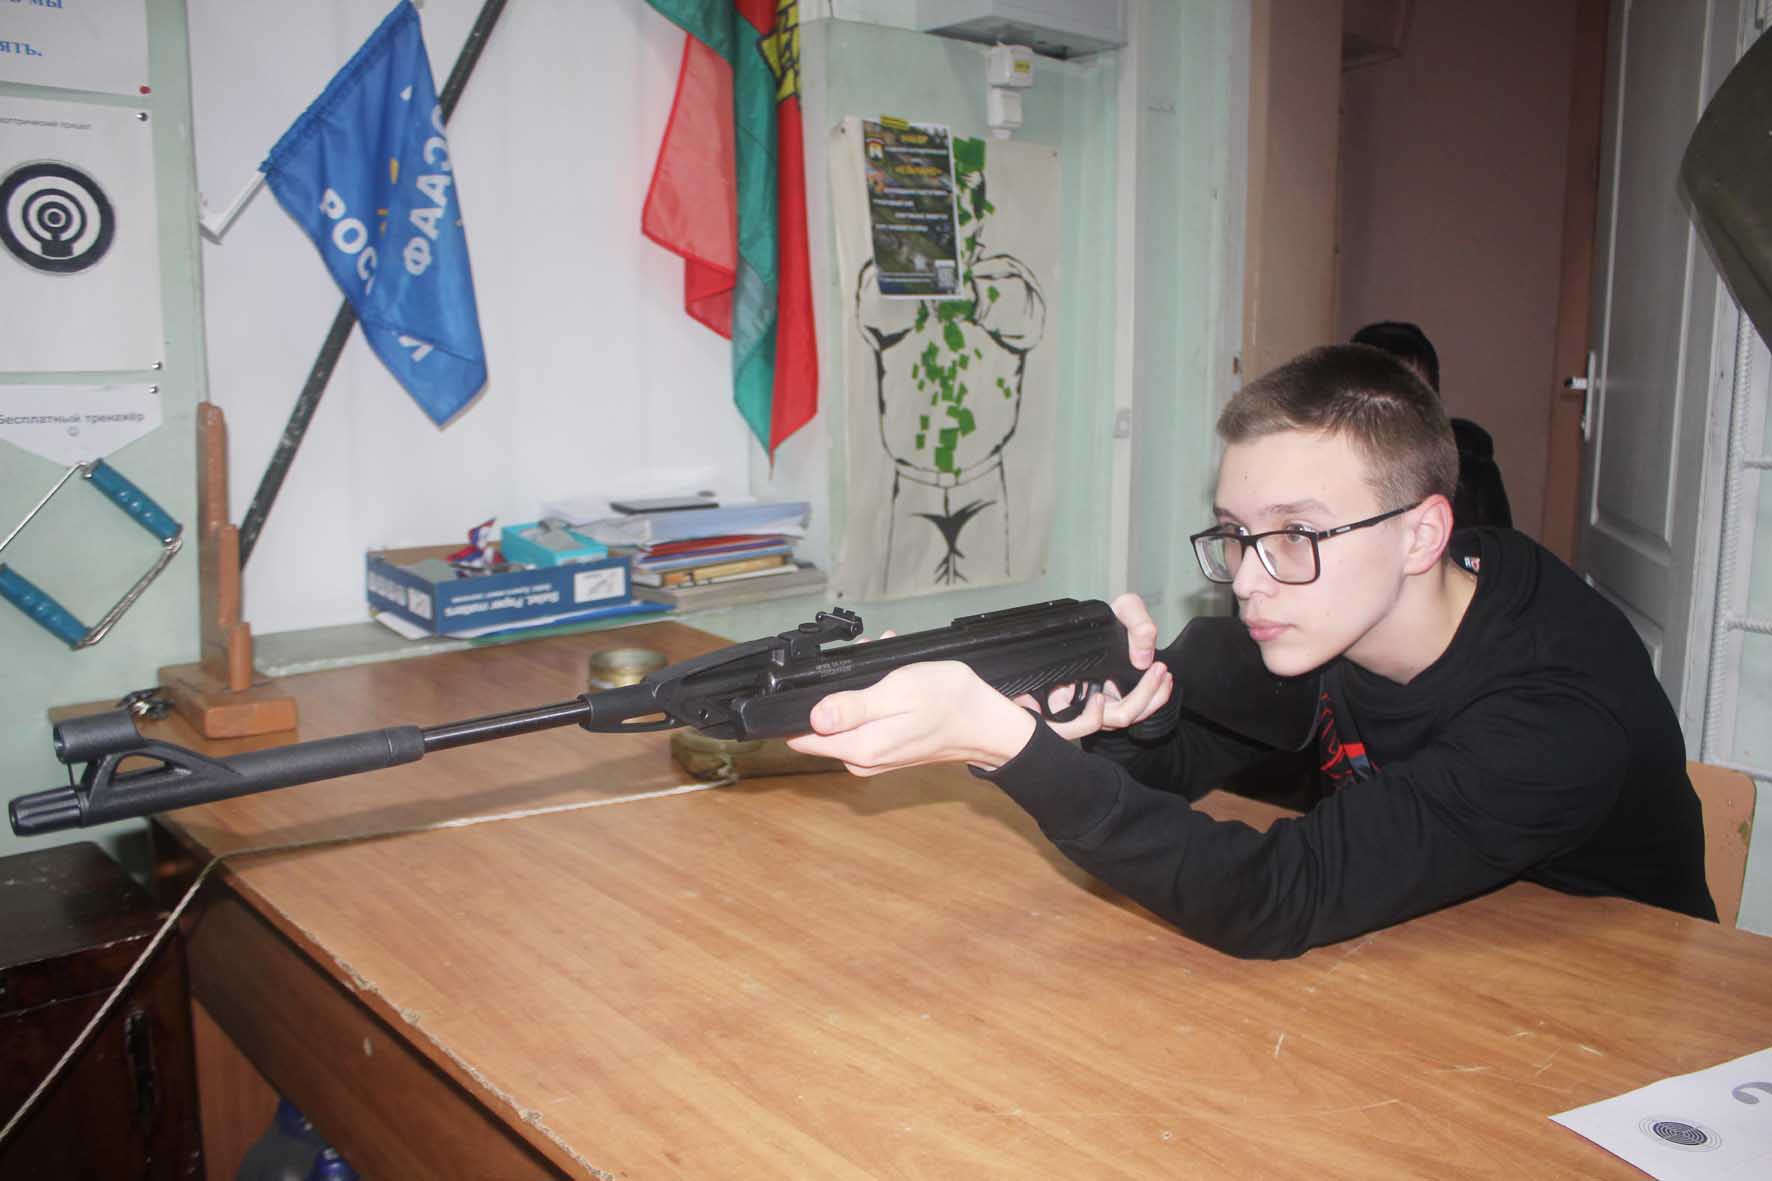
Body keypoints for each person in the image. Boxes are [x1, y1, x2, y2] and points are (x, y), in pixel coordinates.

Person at [787, 344, 1714, 959]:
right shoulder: (1334, 613)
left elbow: (1276, 897)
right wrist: (1104, 720)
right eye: (1236, 532)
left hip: (1624, 1006)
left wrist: (1007, 745)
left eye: (1295, 532)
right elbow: (1176, 768)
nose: (1248, 579)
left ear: (1422, 534)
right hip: (1427, 959)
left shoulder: (1556, 715)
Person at [1349, 320, 1513, 531]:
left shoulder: (1469, 471)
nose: (1396, 414)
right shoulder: (1332, 468)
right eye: (1380, 398)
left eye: (1412, 396)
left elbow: (1495, 547)